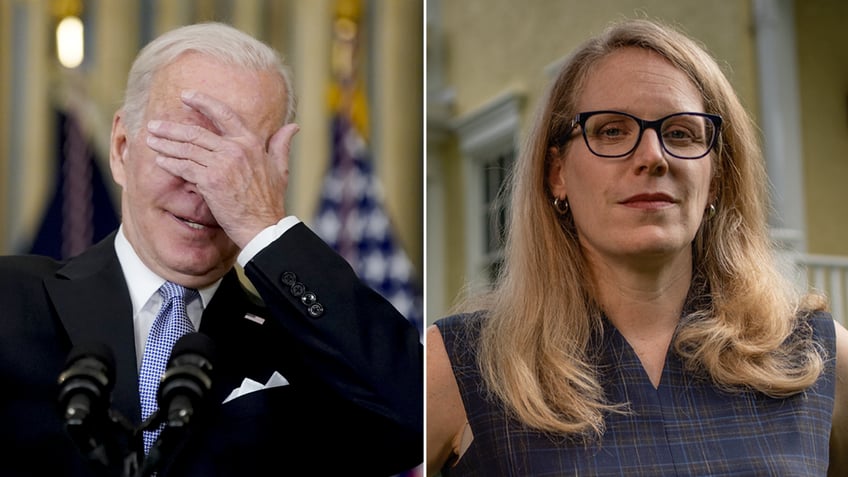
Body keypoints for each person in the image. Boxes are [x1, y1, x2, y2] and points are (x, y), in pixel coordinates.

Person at [427, 18, 848, 477]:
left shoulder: (820, 357)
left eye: (681, 133)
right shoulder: (458, 366)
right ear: (557, 174)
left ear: (716, 178)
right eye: (611, 131)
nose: (652, 156)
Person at [0, 22, 422, 476]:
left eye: (235, 163)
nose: (206, 186)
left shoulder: (302, 346)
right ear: (122, 148)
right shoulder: (11, 300)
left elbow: (414, 416)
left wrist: (262, 225)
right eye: (185, 149)